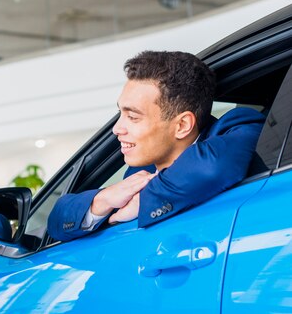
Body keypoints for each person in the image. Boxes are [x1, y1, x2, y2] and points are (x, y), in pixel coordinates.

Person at [48, 50, 265, 242]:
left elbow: (212, 166)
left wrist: (145, 200)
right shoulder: (139, 172)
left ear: (182, 125)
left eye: (132, 117)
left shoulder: (238, 127)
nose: (116, 129)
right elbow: (58, 219)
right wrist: (102, 200)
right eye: (120, 114)